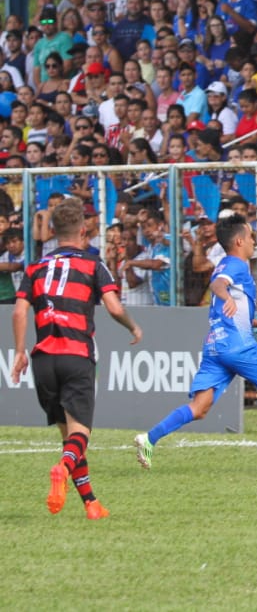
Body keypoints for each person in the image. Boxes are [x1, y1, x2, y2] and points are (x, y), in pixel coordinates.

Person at [133, 214, 257, 471]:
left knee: (199, 408)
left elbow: (230, 302)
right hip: (237, 345)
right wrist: (226, 297)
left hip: (215, 345)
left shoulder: (225, 263)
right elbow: (217, 285)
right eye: (251, 236)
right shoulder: (236, 265)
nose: (255, 240)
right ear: (239, 241)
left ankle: (149, 438)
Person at [9, 197, 143, 520]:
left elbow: (19, 311)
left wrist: (19, 351)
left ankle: (91, 504)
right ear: (84, 231)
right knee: (80, 435)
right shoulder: (94, 265)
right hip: (76, 355)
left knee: (68, 436)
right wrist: (133, 326)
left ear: (53, 231)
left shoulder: (35, 267)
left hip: (43, 360)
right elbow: (113, 307)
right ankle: (62, 470)